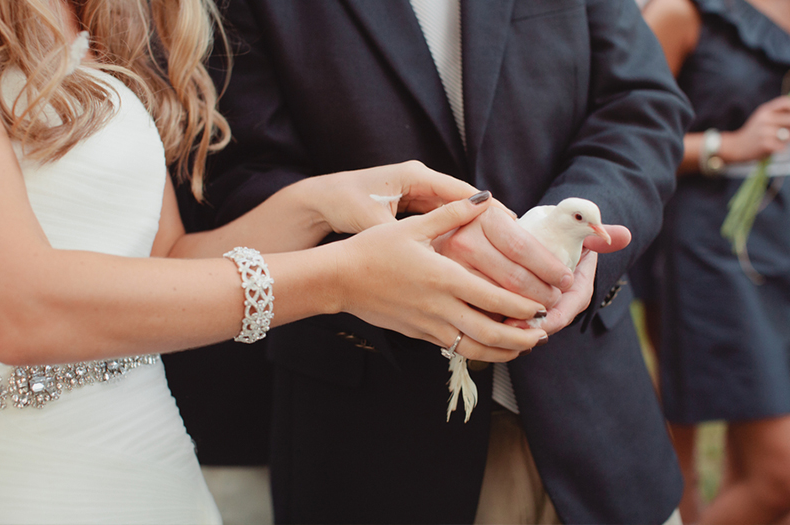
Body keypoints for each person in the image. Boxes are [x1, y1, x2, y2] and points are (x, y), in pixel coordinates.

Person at [0, 1, 557, 523]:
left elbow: (168, 260)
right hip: (34, 477)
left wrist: (319, 205)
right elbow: (21, 312)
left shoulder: (104, 16)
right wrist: (337, 279)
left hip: (151, 461)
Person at [182, 0, 694, 523]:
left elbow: (640, 102)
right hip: (374, 434)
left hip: (598, 425)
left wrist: (567, 233)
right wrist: (392, 251)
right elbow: (236, 171)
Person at [642, 0, 790, 523]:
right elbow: (624, 137)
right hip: (717, 250)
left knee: (743, 457)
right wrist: (728, 144)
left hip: (782, 236)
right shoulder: (685, 13)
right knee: (778, 479)